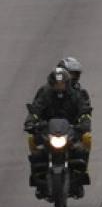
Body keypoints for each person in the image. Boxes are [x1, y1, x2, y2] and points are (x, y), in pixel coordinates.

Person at [25, 67, 93, 197]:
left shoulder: (75, 95)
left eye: (62, 83)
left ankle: (81, 175)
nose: (59, 86)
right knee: (33, 142)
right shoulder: (45, 95)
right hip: (48, 130)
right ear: (51, 84)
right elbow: (35, 110)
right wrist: (30, 122)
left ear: (67, 84)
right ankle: (38, 179)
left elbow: (84, 110)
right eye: (57, 84)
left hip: (70, 130)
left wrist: (84, 123)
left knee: (85, 142)